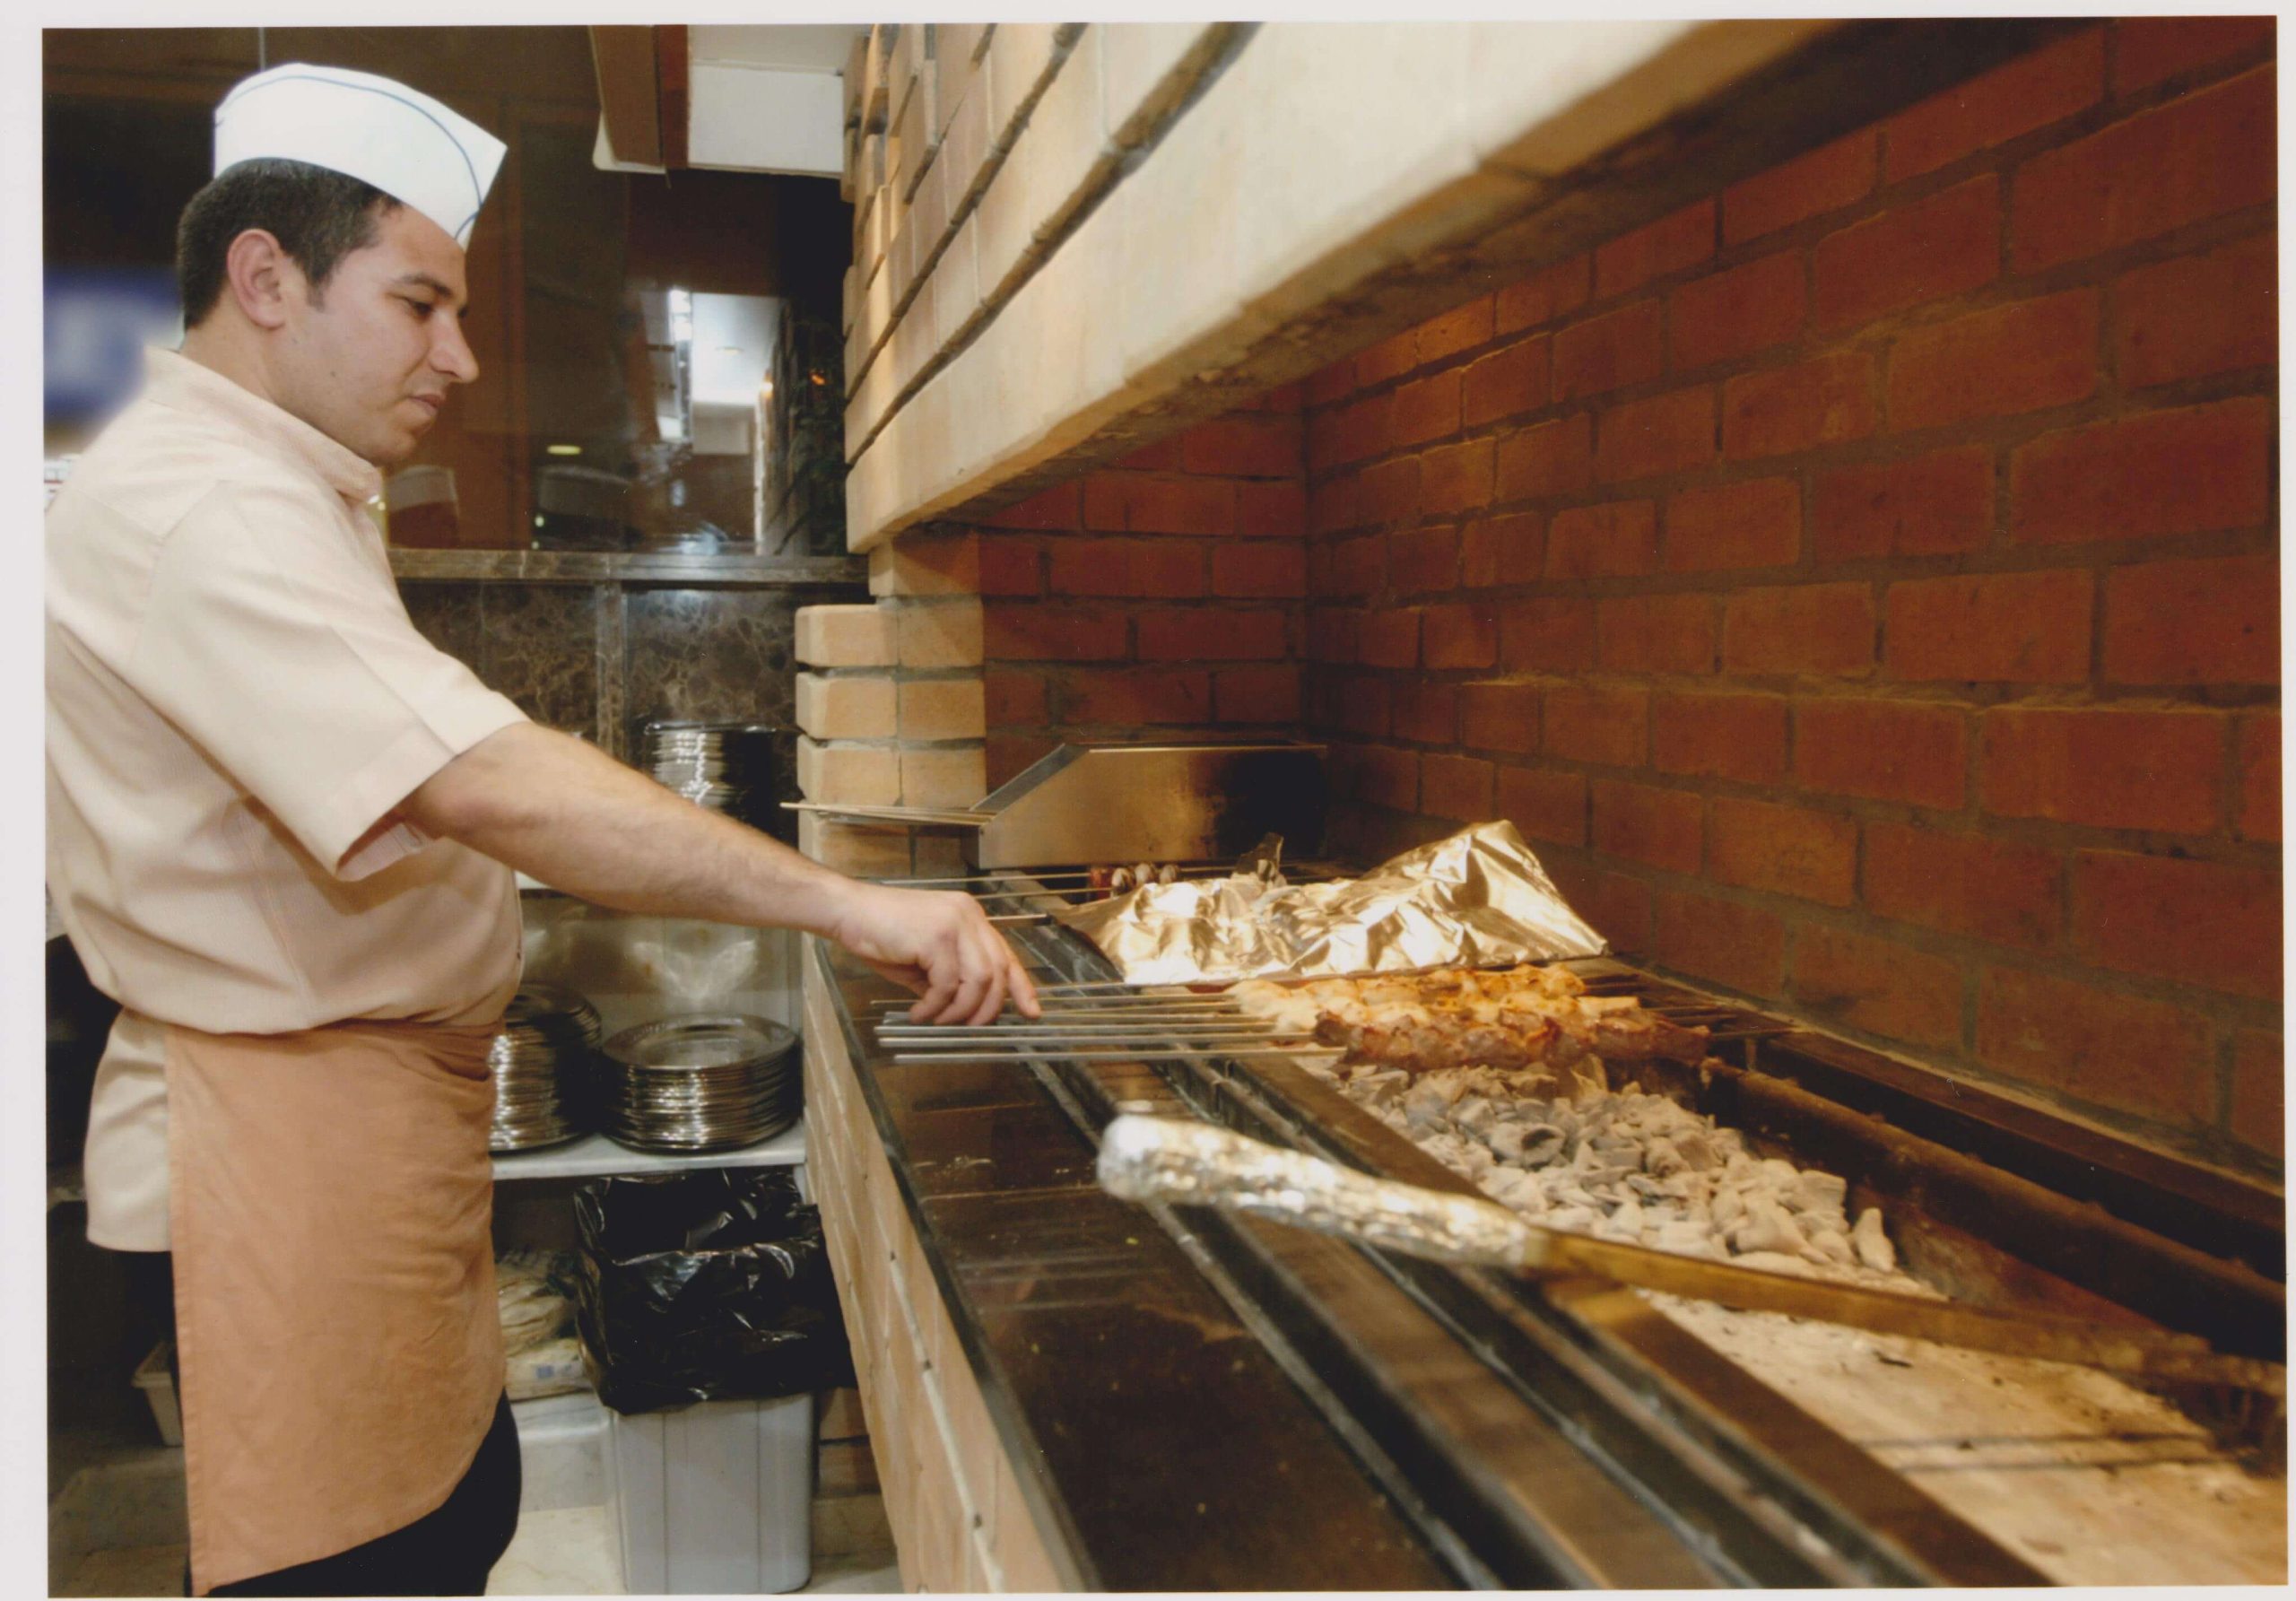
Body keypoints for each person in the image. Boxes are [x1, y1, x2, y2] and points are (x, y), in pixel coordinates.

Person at [44, 62, 1036, 1598]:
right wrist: (852, 904)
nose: (462, 350)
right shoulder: (199, 505)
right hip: (288, 1146)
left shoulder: (279, 484)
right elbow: (489, 778)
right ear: (265, 280)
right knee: (363, 1563)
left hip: (361, 1129)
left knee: (452, 1518)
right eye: (421, 302)